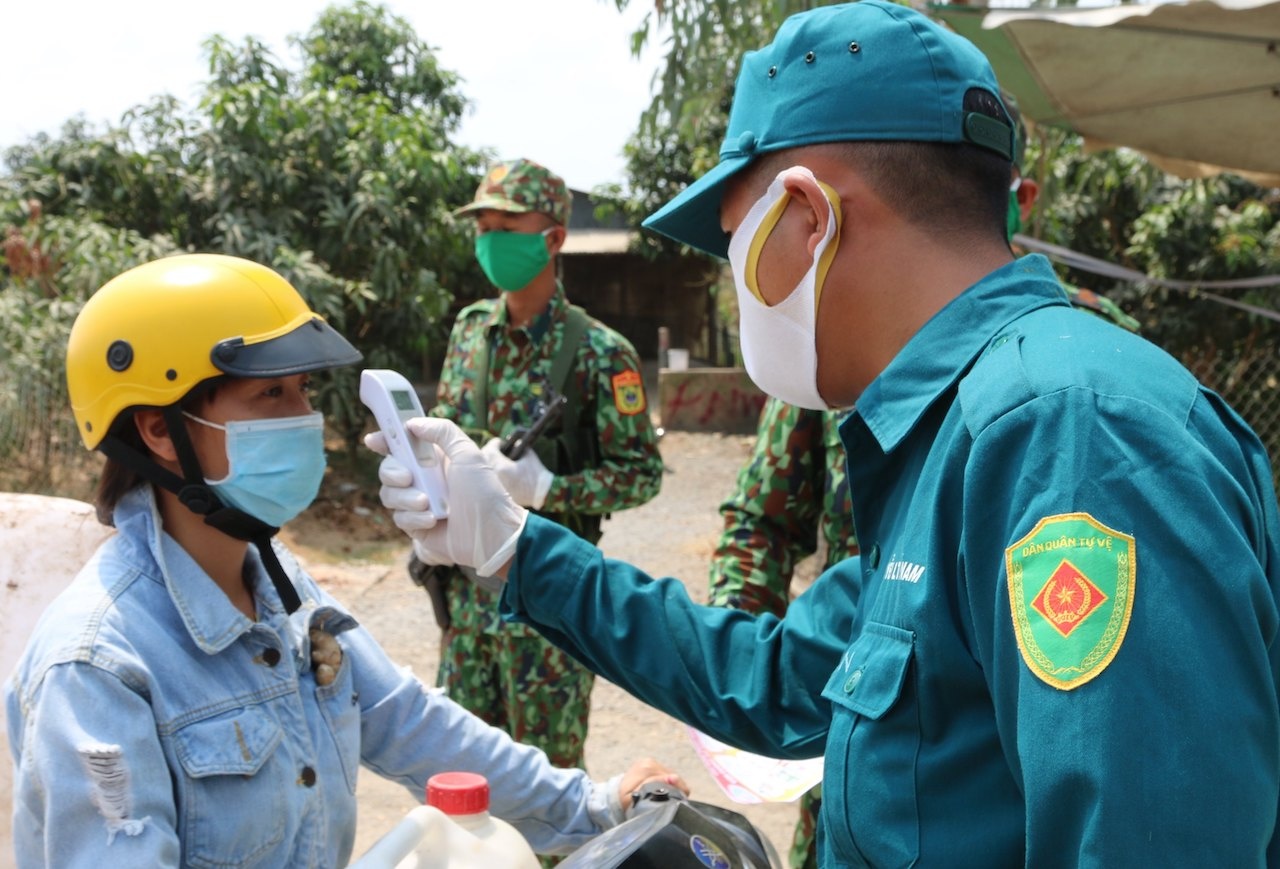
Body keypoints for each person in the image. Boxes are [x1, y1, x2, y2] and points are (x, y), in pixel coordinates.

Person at [372, 3, 1280, 865]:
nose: (737, 282)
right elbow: (772, 676)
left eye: (734, 242)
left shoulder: (1069, 436)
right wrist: (514, 547)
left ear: (807, 218)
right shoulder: (946, 434)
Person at [4, 253, 686, 868]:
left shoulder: (280, 588)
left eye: (303, 389)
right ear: (159, 429)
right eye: (271, 394)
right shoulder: (96, 671)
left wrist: (594, 805)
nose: (306, 417)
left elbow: (408, 721)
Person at [704, 90, 1141, 869]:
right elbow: (761, 523)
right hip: (858, 703)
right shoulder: (838, 351)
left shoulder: (1082, 380)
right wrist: (744, 654)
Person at [418, 157, 663, 780]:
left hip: (552, 607)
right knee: (463, 781)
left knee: (549, 788)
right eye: (483, 228)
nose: (490, 240)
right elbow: (444, 432)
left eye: (507, 227)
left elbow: (641, 472)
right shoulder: (470, 332)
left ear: (553, 239)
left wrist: (551, 488)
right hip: (467, 604)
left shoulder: (601, 352)